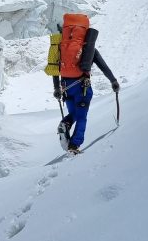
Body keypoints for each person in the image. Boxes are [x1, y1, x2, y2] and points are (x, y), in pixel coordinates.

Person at [49, 18, 119, 154]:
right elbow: (103, 66)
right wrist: (113, 81)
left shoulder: (61, 47)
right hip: (82, 88)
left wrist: (56, 88)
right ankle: (74, 145)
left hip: (66, 88)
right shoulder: (89, 49)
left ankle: (66, 123)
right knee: (81, 117)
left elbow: (55, 69)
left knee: (74, 114)